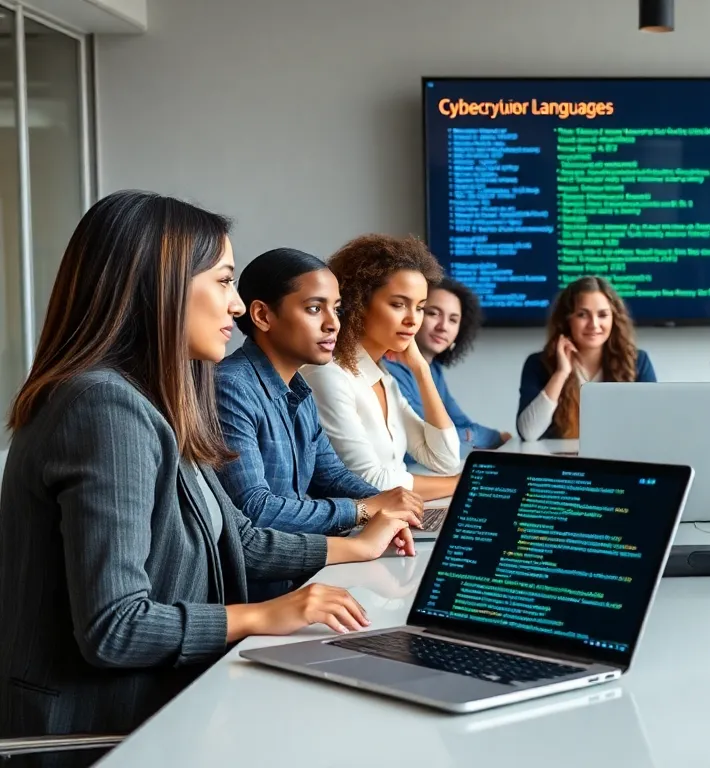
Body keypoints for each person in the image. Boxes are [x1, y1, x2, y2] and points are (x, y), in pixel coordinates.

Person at [0, 191, 417, 751]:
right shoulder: (102, 406)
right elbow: (115, 628)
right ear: (161, 285)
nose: (239, 306)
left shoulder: (156, 399)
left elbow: (235, 539)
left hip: (164, 702)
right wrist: (263, 615)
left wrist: (360, 548)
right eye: (224, 281)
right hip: (104, 728)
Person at [215, 248, 427, 599]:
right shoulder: (231, 386)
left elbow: (330, 475)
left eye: (337, 308)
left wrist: (388, 507)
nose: (334, 323)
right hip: (258, 595)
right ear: (262, 315)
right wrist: (363, 510)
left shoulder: (299, 388)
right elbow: (256, 509)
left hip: (303, 577)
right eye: (315, 309)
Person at [304, 234, 463, 500]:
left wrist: (422, 371)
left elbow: (445, 459)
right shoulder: (327, 374)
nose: (413, 320)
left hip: (396, 518)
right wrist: (458, 485)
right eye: (398, 305)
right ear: (358, 303)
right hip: (356, 530)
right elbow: (370, 481)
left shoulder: (384, 378)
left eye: (421, 307)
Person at [516, 276, 655, 441]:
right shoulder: (537, 364)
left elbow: (652, 427)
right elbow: (528, 433)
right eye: (582, 315)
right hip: (562, 463)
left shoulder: (637, 361)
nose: (594, 324)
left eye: (603, 315)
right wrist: (561, 373)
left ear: (614, 319)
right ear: (566, 320)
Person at [385, 277, 511, 450]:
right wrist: (480, 437)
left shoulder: (434, 370)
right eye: (433, 313)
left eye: (453, 319)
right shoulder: (389, 369)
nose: (443, 326)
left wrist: (494, 437)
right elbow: (430, 440)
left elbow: (461, 422)